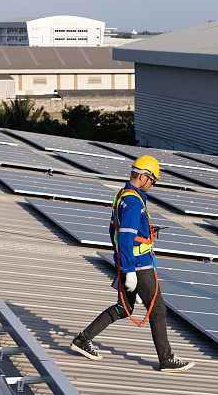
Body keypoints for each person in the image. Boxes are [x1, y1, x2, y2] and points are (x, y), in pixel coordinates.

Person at [70, 155, 194, 373]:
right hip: (139, 265)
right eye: (152, 180)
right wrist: (129, 271)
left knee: (124, 308)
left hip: (128, 261)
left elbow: (114, 233)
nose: (153, 184)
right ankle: (166, 359)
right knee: (158, 311)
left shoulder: (122, 196)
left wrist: (122, 260)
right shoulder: (134, 202)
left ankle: (82, 340)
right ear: (144, 176)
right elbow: (126, 237)